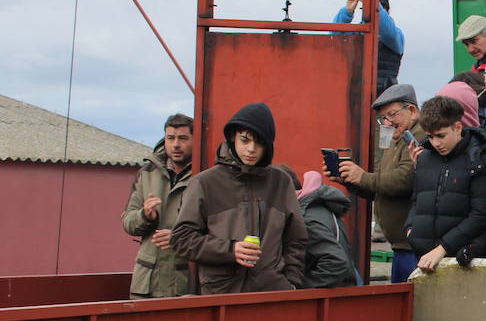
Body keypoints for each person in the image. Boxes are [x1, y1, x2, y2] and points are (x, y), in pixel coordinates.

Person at [171, 103, 306, 293]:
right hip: (221, 295)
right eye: (245, 140)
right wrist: (229, 250)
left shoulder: (281, 182)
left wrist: (291, 282)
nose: (251, 149)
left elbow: (296, 240)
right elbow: (181, 240)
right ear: (233, 136)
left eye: (259, 143)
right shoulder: (204, 183)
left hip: (273, 294)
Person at [332, 83, 424, 283]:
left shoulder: (420, 136)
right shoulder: (398, 139)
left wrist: (363, 177)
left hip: (413, 248)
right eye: (384, 118)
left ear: (412, 111)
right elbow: (381, 188)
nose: (388, 122)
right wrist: (352, 181)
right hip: (401, 246)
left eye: (392, 115)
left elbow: (404, 180)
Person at [405, 95, 486, 274]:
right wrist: (410, 229)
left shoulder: (480, 161)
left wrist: (442, 248)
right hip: (422, 256)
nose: (436, 143)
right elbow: (417, 200)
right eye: (430, 136)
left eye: (441, 135)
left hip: (462, 261)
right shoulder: (424, 158)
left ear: (457, 127)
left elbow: (481, 215)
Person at [122, 113, 194, 298]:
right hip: (147, 283)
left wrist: (179, 238)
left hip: (183, 283)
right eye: (170, 138)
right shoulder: (147, 172)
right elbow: (128, 221)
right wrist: (145, 216)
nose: (176, 144)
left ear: (195, 140)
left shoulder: (204, 176)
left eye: (183, 138)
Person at [296, 171, 361, 288]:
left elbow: (337, 263)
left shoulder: (308, 219)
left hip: (335, 291)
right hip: (348, 282)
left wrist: (302, 288)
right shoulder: (322, 208)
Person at [333, 0, 404, 96]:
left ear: (387, 12)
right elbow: (335, 38)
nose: (372, 12)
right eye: (367, 8)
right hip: (356, 95)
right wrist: (347, 11)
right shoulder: (357, 33)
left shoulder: (396, 34)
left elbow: (389, 34)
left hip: (385, 98)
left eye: (376, 9)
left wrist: (374, 4)